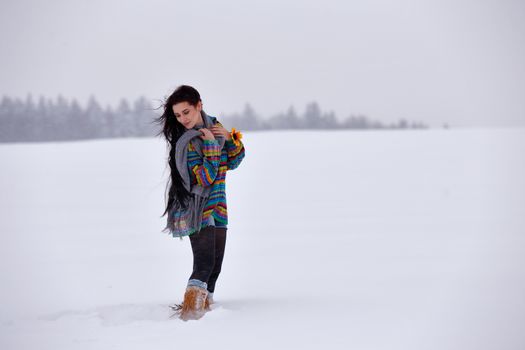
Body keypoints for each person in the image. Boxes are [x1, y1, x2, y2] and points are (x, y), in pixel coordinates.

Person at [154, 85, 245, 321]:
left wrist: (229, 138)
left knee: (215, 266)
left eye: (186, 112)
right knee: (204, 264)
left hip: (218, 205)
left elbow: (233, 163)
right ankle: (191, 314)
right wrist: (212, 147)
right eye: (178, 115)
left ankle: (207, 311)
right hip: (197, 207)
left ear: (199, 106)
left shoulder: (214, 128)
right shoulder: (186, 143)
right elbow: (205, 177)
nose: (183, 119)